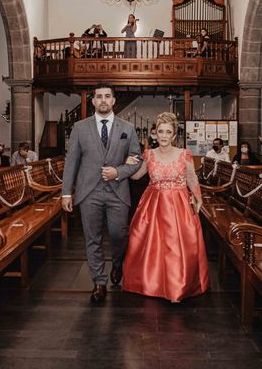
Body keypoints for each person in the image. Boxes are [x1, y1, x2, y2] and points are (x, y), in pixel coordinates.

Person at [61, 83, 142, 303]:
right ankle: (99, 281)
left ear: (114, 100)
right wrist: (66, 193)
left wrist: (118, 171)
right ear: (93, 101)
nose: (104, 100)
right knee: (92, 238)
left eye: (108, 96)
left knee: (119, 235)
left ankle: (117, 264)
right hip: (89, 192)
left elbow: (137, 158)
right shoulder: (79, 127)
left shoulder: (128, 128)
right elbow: (71, 162)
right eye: (99, 97)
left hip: (117, 192)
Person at [123, 112, 209, 302]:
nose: (163, 135)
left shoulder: (183, 154)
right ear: (155, 133)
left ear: (174, 135)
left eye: (167, 132)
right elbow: (136, 176)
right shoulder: (149, 155)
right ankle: (150, 283)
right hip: (153, 204)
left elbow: (192, 178)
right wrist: (128, 165)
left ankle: (176, 287)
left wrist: (198, 198)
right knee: (153, 246)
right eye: (160, 131)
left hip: (178, 204)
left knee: (176, 246)